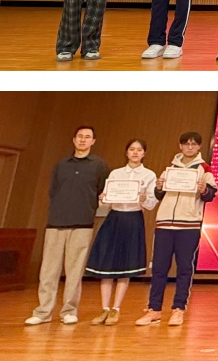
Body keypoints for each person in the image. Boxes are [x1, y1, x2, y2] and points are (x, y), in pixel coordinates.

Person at [25, 126, 110, 325]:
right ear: (74, 139)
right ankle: (43, 312)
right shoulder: (61, 164)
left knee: (74, 271)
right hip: (56, 222)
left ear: (93, 141)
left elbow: (102, 192)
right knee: (48, 270)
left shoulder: (100, 165)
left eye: (87, 137)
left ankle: (69, 311)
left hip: (82, 223)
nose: (83, 140)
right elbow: (53, 191)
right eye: (80, 136)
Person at [135, 132, 217, 327]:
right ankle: (154, 309)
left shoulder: (205, 169)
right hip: (164, 223)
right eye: (186, 144)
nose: (190, 147)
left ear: (199, 147)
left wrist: (204, 189)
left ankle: (178, 309)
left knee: (184, 268)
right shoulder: (170, 168)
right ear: (180, 146)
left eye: (194, 144)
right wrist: (159, 187)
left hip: (189, 224)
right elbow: (159, 194)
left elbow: (210, 195)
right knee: (159, 268)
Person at [86, 139, 157, 326]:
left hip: (133, 220)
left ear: (144, 153)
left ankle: (116, 309)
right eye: (132, 149)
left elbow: (151, 204)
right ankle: (104, 308)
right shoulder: (115, 173)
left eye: (139, 150)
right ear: (126, 152)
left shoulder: (149, 175)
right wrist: (103, 198)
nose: (135, 153)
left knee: (126, 266)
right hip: (114, 218)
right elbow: (105, 204)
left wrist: (144, 198)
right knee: (107, 265)